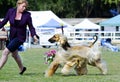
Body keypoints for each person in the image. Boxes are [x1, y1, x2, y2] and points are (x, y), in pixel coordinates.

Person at [0, 0, 38, 75]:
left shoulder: (27, 15)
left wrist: (34, 35)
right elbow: (4, 21)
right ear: (18, 5)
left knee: (5, 52)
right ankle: (22, 68)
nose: (24, 8)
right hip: (12, 36)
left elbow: (31, 27)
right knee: (14, 54)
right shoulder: (11, 11)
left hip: (20, 38)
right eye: (23, 6)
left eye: (25, 7)